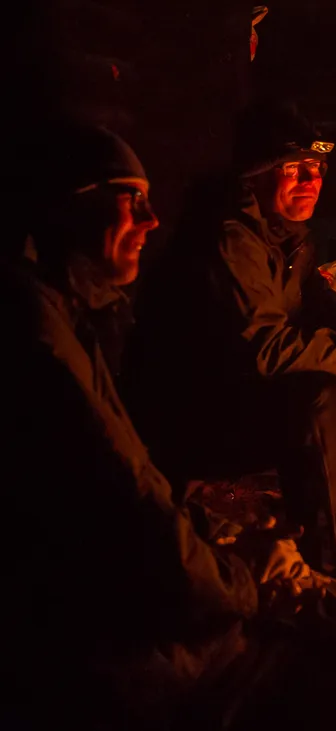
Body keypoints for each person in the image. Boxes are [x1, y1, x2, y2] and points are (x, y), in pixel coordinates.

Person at [1, 120, 262, 728]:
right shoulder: (34, 330)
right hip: (83, 642)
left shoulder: (70, 311)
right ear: (74, 206)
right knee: (294, 621)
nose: (151, 222)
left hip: (99, 604)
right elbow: (125, 499)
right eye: (132, 201)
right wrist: (236, 582)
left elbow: (137, 484)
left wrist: (203, 526)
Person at [124, 100, 336, 588]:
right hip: (193, 415)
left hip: (240, 395)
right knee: (320, 396)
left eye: (317, 169)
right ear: (257, 175)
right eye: (294, 170)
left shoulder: (286, 236)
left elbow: (322, 311)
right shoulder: (230, 238)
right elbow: (264, 347)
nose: (311, 182)